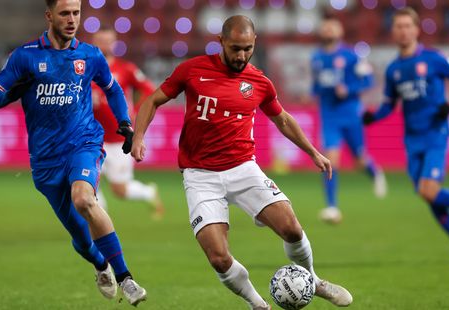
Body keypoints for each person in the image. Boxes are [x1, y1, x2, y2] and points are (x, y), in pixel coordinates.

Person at [131, 15, 353, 309]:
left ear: (254, 43)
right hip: (200, 176)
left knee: (292, 229)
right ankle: (257, 304)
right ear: (221, 42)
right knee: (219, 258)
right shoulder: (192, 70)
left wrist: (313, 152)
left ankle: (312, 280)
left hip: (243, 169)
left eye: (247, 48)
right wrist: (138, 137)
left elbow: (283, 119)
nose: (241, 55)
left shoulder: (259, 81)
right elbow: (153, 100)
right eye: (235, 48)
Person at [0, 0, 147, 305]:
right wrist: (18, 87)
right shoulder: (25, 57)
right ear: (49, 16)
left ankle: (126, 278)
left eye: (76, 13)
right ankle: (100, 265)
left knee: (84, 199)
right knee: (82, 239)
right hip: (45, 161)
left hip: (83, 143)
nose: (72, 20)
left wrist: (124, 122)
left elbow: (112, 89)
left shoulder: (90, 55)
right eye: (65, 13)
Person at [363, 7, 449, 264]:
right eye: (398, 26)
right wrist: (372, 117)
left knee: (428, 189)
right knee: (427, 195)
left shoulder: (433, 58)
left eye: (407, 26)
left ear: (417, 29)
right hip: (412, 140)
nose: (403, 31)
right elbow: (390, 105)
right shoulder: (394, 70)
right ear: (393, 31)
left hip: (435, 132)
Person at [311, 17, 387, 224]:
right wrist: (313, 92)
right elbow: (316, 85)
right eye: (325, 27)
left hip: (351, 113)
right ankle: (332, 206)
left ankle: (374, 173)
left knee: (359, 160)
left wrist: (349, 90)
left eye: (331, 27)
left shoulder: (351, 56)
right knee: (330, 161)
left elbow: (368, 80)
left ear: (339, 31)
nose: (328, 30)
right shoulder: (316, 57)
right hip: (329, 116)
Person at [90, 26, 164, 219]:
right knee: (88, 183)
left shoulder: (126, 69)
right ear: (94, 42)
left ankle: (149, 192)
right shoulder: (86, 69)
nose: (104, 44)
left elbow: (149, 89)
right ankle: (100, 224)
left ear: (114, 43)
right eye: (101, 40)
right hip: (91, 138)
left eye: (108, 40)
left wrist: (136, 112)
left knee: (120, 190)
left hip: (119, 140)